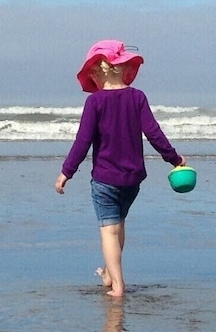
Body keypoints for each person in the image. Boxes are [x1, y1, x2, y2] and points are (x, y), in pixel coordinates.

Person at [55, 39, 186, 297]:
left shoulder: (95, 103)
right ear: (122, 67)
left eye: (91, 70)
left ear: (99, 70)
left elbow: (83, 141)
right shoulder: (137, 97)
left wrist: (66, 172)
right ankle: (108, 273)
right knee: (118, 227)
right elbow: (154, 134)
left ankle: (118, 286)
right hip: (132, 180)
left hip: (105, 179)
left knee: (108, 231)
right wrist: (174, 159)